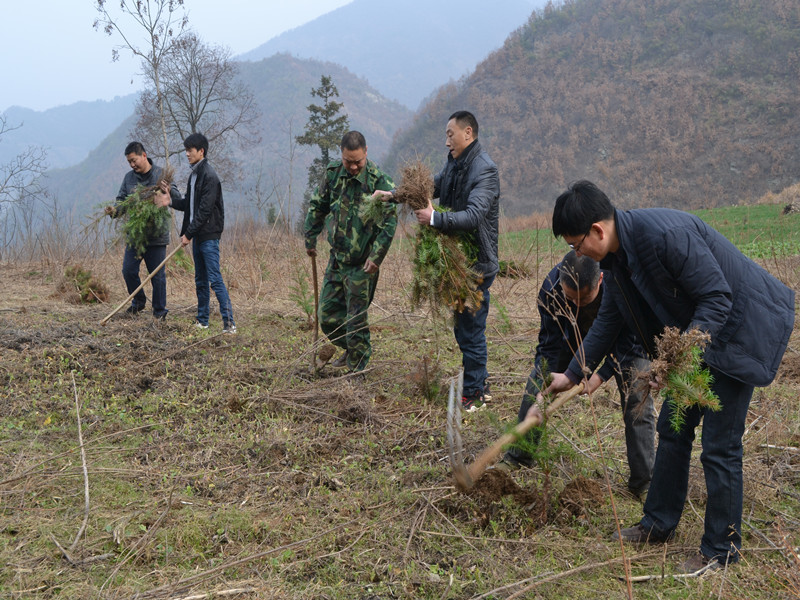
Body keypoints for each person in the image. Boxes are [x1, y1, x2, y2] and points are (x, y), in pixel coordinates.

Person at [543, 180, 794, 573]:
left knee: (720, 446)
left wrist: (678, 362)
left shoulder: (664, 236)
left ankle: (720, 551)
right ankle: (658, 522)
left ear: (597, 230)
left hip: (738, 334)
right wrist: (574, 373)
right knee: (673, 428)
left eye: (576, 245)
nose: (577, 253)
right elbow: (610, 319)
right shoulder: (617, 259)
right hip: (701, 340)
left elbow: (718, 297)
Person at [501, 251, 656, 498]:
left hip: (624, 339)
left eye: (583, 299)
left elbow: (634, 341)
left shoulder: (622, 286)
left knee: (637, 393)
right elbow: (549, 347)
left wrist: (600, 375)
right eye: (570, 298)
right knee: (539, 380)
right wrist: (544, 389)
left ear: (600, 281)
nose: (575, 304)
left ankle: (644, 483)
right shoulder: (552, 289)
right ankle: (519, 456)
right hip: (571, 339)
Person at [412, 110, 500, 412]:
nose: (446, 140)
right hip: (461, 261)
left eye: (451, 134)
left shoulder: (484, 170)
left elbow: (474, 216)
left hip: (478, 264)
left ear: (468, 133)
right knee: (465, 327)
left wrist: (435, 218)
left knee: (471, 328)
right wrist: (394, 194)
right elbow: (431, 187)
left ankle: (474, 393)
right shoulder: (455, 165)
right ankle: (480, 384)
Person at [304, 131, 397, 372]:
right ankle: (356, 349)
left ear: (366, 152)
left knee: (356, 320)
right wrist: (310, 236)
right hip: (337, 259)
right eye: (348, 161)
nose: (353, 167)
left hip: (362, 264)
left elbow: (389, 224)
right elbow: (318, 205)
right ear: (341, 155)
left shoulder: (380, 183)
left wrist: (376, 258)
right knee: (326, 316)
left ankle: (357, 370)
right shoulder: (334, 174)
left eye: (358, 161)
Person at [155, 133, 235, 333]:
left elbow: (204, 211)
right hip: (198, 235)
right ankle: (203, 320)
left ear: (201, 151)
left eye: (190, 150)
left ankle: (229, 323)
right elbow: (189, 206)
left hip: (208, 235)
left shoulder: (210, 176)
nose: (187, 154)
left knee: (214, 278)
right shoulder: (194, 176)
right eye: (186, 150)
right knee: (200, 279)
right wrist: (170, 201)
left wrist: (188, 234)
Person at [106, 142, 181, 320]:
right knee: (128, 270)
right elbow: (121, 200)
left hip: (156, 235)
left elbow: (177, 198)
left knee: (157, 276)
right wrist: (114, 211)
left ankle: (159, 312)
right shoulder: (128, 178)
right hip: (135, 235)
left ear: (144, 156)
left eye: (134, 160)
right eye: (129, 162)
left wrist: (167, 190)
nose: (132, 165)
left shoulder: (160, 174)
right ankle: (138, 302)